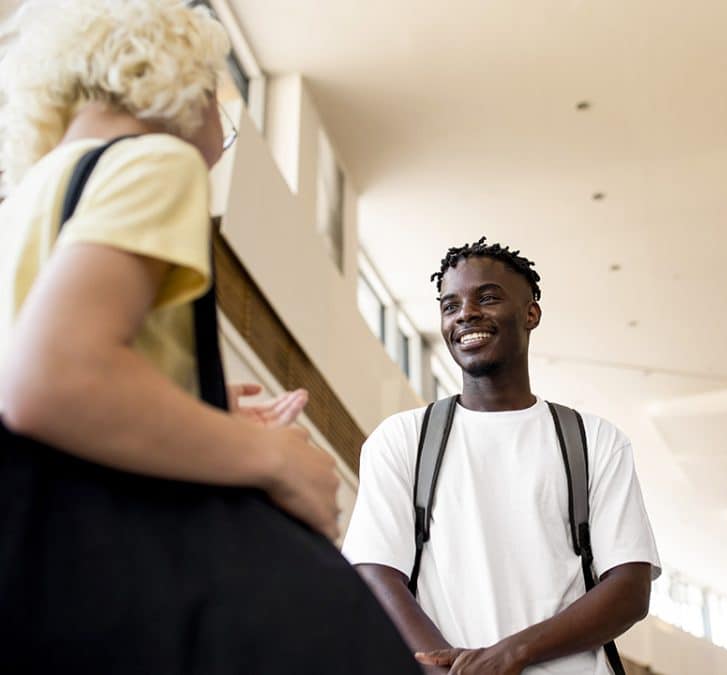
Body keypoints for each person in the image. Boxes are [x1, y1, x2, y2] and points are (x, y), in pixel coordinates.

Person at [0, 2, 418, 672]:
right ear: (183, 82)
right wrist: (272, 453)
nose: (219, 139)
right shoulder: (155, 161)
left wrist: (196, 410)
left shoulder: (23, 201)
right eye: (222, 107)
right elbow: (54, 377)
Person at [342, 238, 661, 674]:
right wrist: (452, 670)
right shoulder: (402, 439)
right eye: (450, 305)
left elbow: (629, 589)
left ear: (531, 313)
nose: (465, 314)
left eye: (487, 298)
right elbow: (375, 574)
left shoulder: (595, 440)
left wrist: (509, 655)